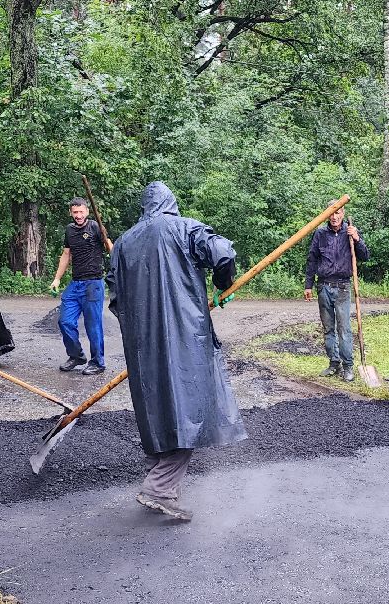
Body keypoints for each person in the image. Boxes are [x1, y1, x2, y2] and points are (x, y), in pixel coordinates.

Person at [107, 182, 246, 521]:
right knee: (189, 407)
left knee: (158, 406)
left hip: (142, 344)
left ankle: (159, 479)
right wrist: (222, 284)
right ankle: (160, 488)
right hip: (187, 337)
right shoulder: (185, 229)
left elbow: (115, 295)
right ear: (171, 203)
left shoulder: (124, 242)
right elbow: (223, 253)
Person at [303, 204, 368, 381]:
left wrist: (357, 238)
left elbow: (365, 256)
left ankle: (348, 366)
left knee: (344, 329)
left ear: (343, 213)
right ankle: (334, 363)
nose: (334, 217)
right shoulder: (320, 234)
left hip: (343, 287)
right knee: (328, 329)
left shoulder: (350, 231)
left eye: (337, 213)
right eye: (331, 214)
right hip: (323, 286)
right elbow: (312, 260)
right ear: (326, 215)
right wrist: (308, 285)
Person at [49, 197, 109, 376]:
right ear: (71, 213)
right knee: (65, 321)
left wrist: (106, 239)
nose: (78, 215)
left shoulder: (95, 227)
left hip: (93, 283)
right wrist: (57, 279)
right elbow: (66, 255)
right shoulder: (69, 230)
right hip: (75, 284)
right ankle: (76, 356)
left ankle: (98, 362)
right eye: (75, 212)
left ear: (87, 212)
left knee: (93, 325)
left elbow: (111, 248)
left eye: (81, 211)